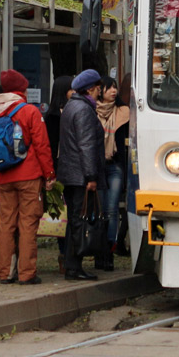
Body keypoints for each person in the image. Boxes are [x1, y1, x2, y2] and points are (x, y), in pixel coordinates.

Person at [0, 69, 54, 285]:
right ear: (22, 89)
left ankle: (4, 272)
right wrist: (49, 174)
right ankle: (26, 274)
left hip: (3, 176)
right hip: (28, 176)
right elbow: (42, 146)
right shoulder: (29, 111)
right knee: (27, 224)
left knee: (6, 224)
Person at [57, 69, 105, 280]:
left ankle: (71, 264)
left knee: (74, 220)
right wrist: (91, 177)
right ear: (91, 89)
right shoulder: (84, 110)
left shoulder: (71, 106)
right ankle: (74, 267)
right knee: (79, 220)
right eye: (98, 89)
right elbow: (86, 145)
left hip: (70, 173)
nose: (100, 92)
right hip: (80, 176)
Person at [94, 76, 130, 271]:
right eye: (109, 88)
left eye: (115, 88)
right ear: (101, 91)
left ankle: (110, 247)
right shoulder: (93, 111)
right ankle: (99, 250)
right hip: (98, 166)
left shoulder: (124, 112)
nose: (113, 91)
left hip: (115, 165)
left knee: (112, 208)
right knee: (99, 209)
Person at [45, 75, 74, 269]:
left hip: (67, 169)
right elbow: (49, 145)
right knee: (61, 214)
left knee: (68, 213)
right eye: (73, 89)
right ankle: (64, 254)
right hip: (59, 170)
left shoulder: (69, 112)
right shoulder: (53, 117)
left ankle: (68, 254)